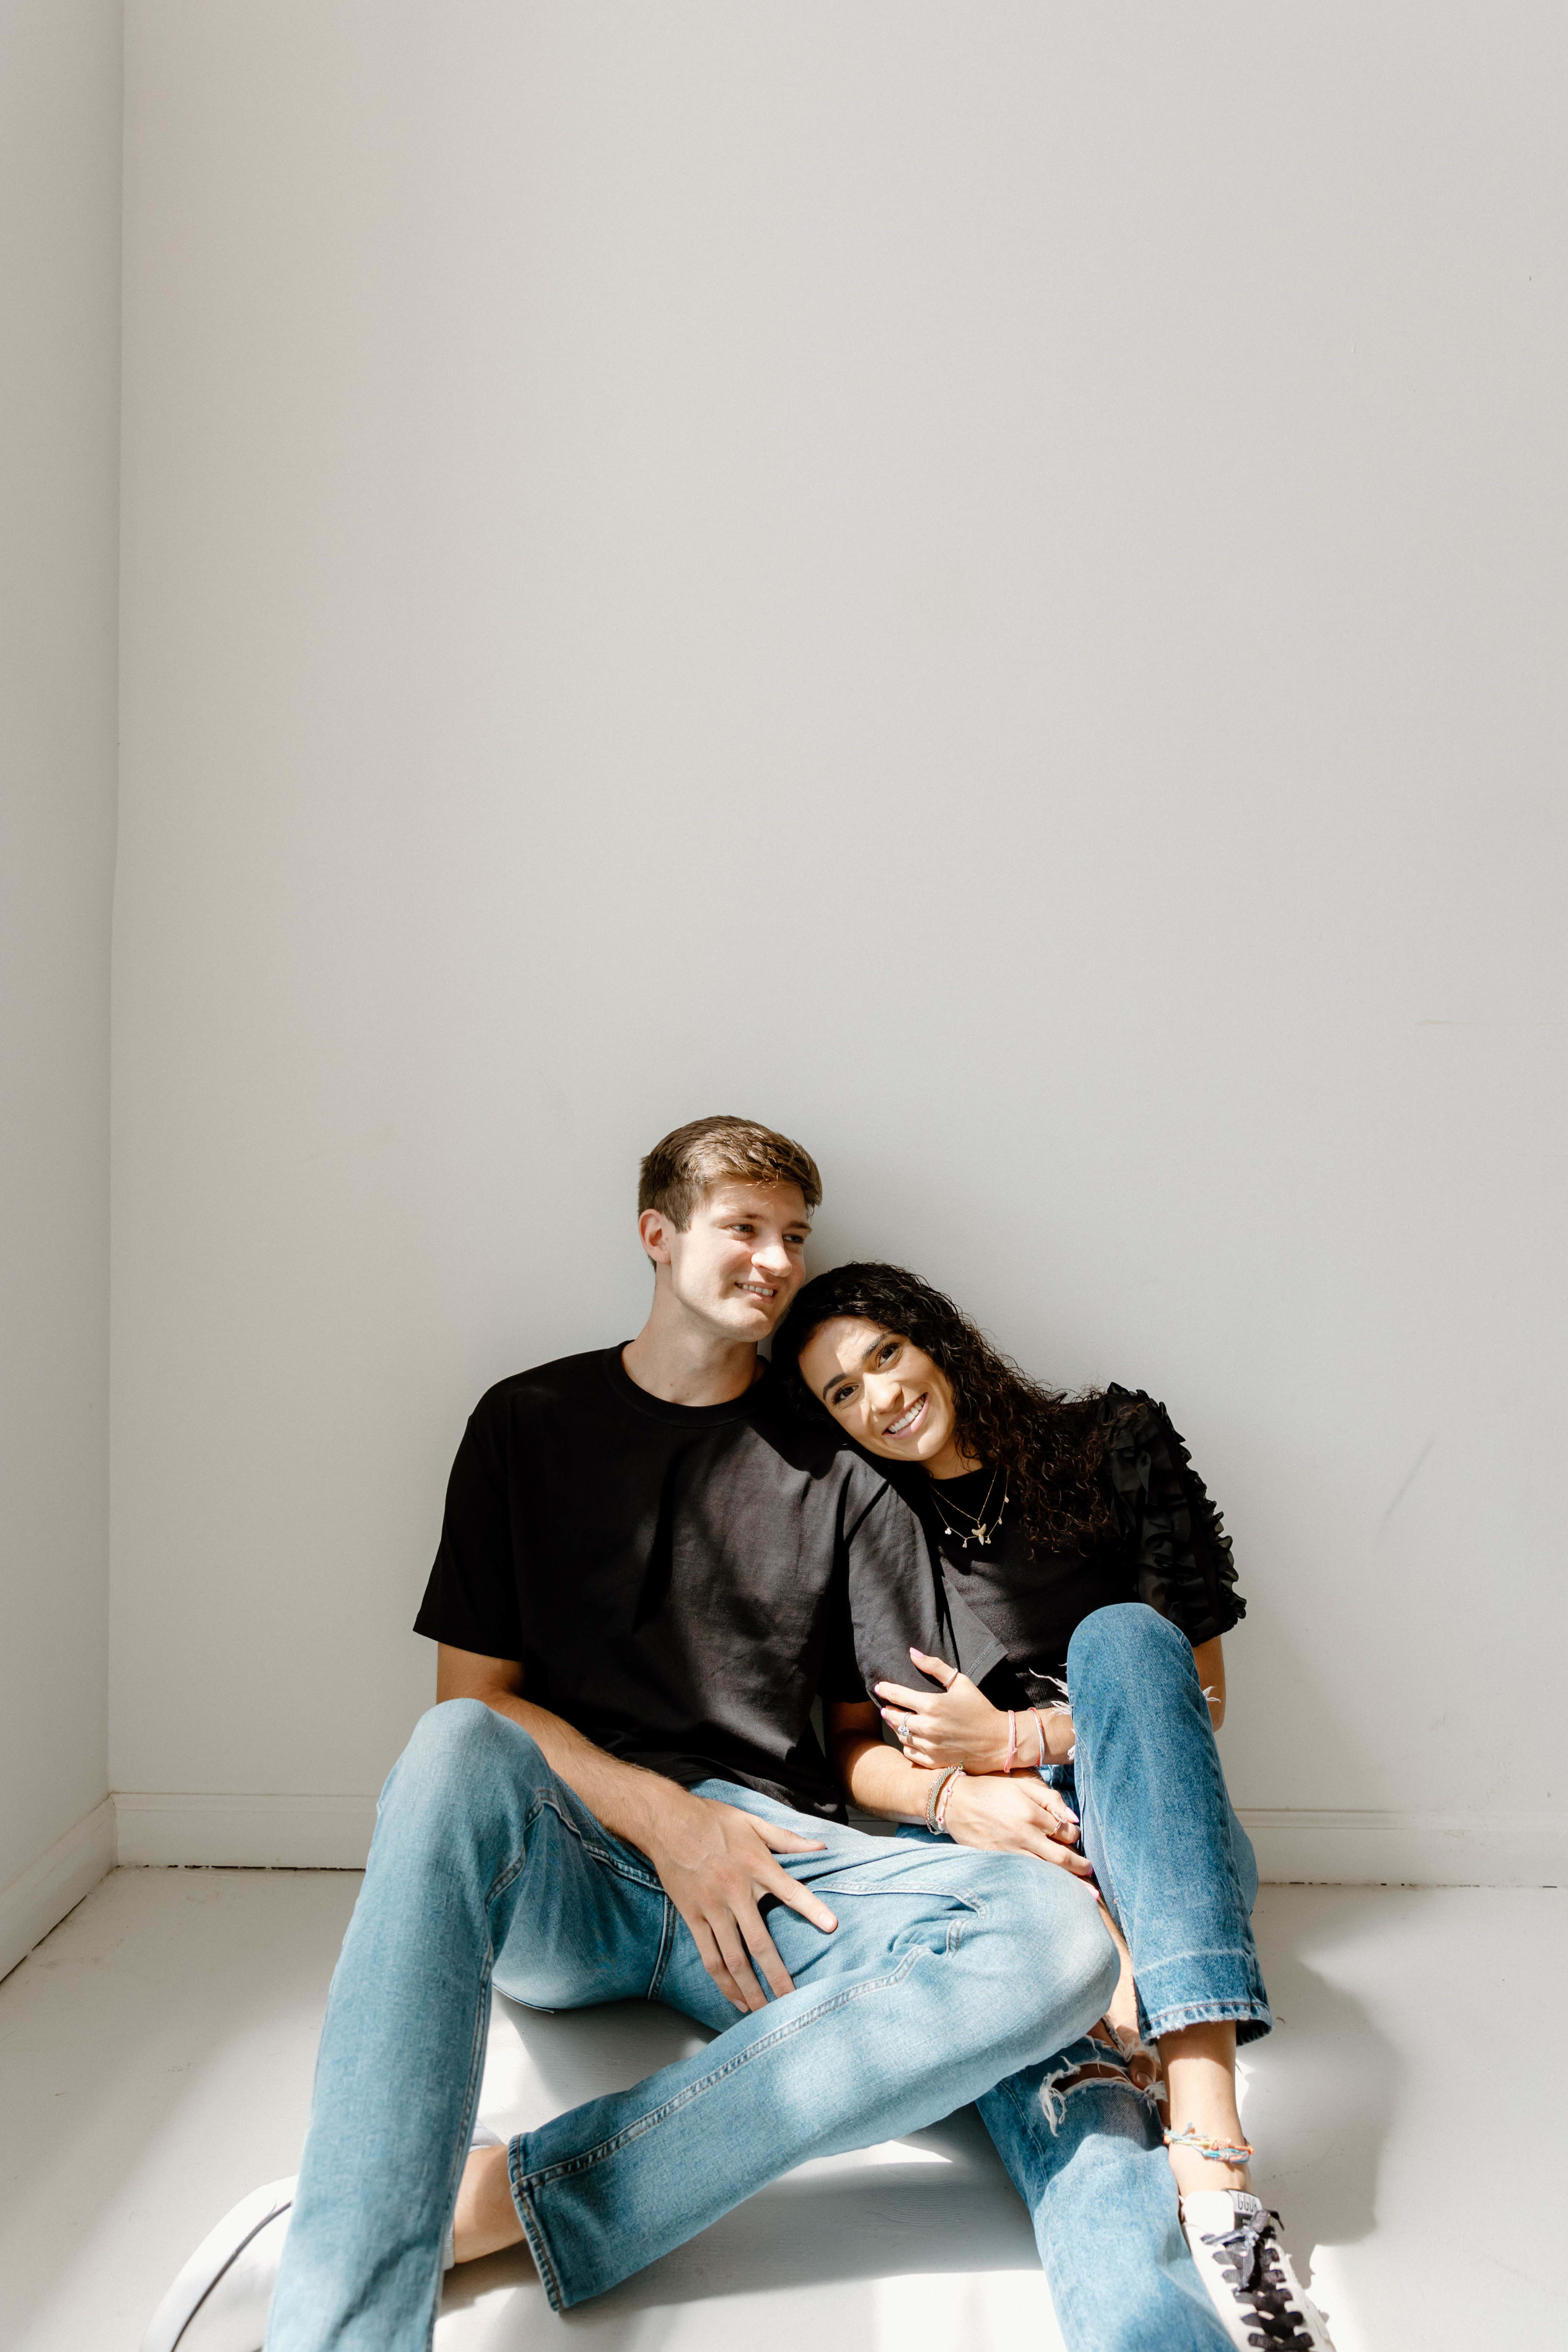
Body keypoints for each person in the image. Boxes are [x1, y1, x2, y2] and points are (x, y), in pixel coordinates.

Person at [139, 1119, 1120, 2352]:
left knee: (1051, 1942)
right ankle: (337, 2334)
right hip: (575, 1855)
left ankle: (526, 2199)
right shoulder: (525, 1423)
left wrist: (949, 1798)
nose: (775, 1260)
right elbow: (475, 1700)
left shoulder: (838, 1460)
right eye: (744, 1228)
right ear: (657, 1235)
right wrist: (667, 1817)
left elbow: (871, 1735)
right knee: (448, 1752)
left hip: (774, 1877)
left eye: (794, 1236)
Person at [773, 1261, 1336, 2352]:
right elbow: (847, 1755)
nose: (880, 1398)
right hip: (998, 1844)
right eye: (843, 1393)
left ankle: (1212, 2157)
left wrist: (1023, 1735)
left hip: (1164, 1828)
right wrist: (956, 1795)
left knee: (1123, 1638)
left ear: (937, 1336)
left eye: (885, 1354)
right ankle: (1117, 2014)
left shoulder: (1112, 1442)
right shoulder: (862, 1526)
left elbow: (1199, 1694)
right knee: (995, 1880)